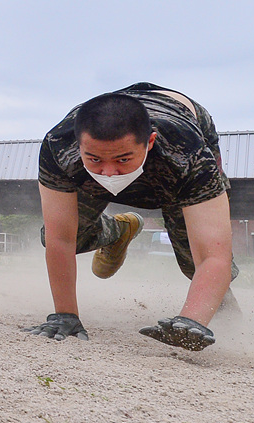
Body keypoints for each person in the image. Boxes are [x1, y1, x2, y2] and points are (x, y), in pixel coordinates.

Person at [24, 82, 238, 351]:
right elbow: (61, 238)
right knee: (63, 236)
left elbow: (213, 254)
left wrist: (192, 321)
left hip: (178, 132)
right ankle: (118, 231)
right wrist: (65, 315)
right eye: (95, 160)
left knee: (193, 261)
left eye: (122, 160)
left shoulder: (188, 154)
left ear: (150, 142)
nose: (109, 173)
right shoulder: (58, 146)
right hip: (114, 123)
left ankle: (226, 316)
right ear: (79, 146)